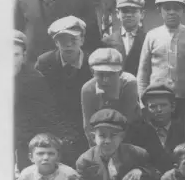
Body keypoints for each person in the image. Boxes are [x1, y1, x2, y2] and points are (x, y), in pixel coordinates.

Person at [137, 0, 185, 124]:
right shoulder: (152, 36)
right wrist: (143, 102)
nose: (172, 12)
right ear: (160, 11)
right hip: (157, 100)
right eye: (167, 8)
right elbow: (143, 72)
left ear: (183, 10)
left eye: (176, 8)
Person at [35, 16, 92, 165]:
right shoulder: (45, 62)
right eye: (62, 41)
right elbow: (40, 101)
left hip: (86, 127)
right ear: (55, 42)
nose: (68, 46)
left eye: (73, 40)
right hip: (54, 127)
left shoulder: (92, 63)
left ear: (82, 40)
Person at [14, 31, 65, 170]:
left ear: (24, 56)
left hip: (26, 137)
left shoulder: (35, 79)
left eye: (16, 55)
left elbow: (47, 114)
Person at [81, 47, 140, 145]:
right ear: (92, 73)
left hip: (131, 134)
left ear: (120, 73)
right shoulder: (88, 90)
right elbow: (88, 126)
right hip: (102, 137)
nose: (105, 80)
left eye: (111, 74)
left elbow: (129, 122)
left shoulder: (129, 83)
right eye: (100, 74)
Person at [126, 84, 185, 173]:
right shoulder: (137, 132)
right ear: (146, 109)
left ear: (172, 107)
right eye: (153, 106)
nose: (159, 110)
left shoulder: (184, 130)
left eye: (163, 105)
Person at [103, 0, 146, 76]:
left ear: (142, 14)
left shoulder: (148, 40)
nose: (129, 15)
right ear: (118, 14)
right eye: (125, 11)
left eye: (134, 11)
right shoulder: (107, 42)